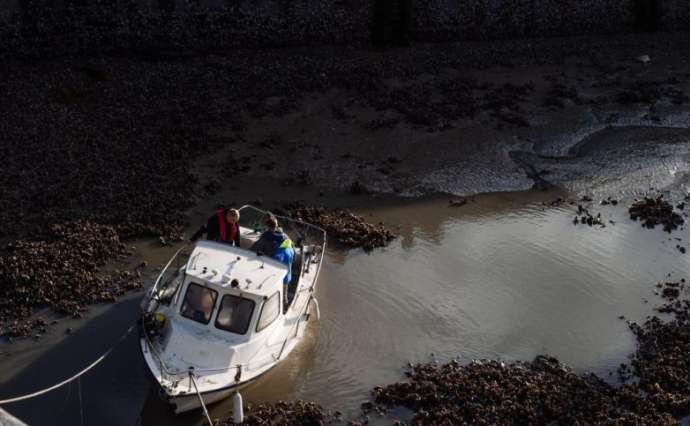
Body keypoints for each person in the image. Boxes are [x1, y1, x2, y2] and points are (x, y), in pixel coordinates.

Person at [251, 215, 294, 302]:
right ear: (277, 226)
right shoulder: (285, 236)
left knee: (271, 281)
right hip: (286, 261)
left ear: (267, 227)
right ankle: (284, 299)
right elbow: (292, 246)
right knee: (284, 279)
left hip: (272, 262)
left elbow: (255, 249)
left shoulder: (266, 237)